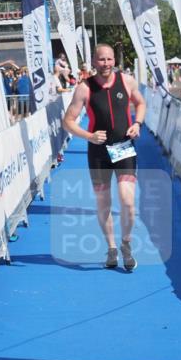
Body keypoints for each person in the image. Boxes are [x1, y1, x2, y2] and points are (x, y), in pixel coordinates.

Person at [62, 44, 146, 272]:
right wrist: (89, 136)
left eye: (109, 59)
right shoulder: (84, 88)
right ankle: (111, 248)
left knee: (127, 202)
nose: (106, 63)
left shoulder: (127, 81)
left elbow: (140, 103)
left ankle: (126, 244)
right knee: (103, 202)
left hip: (124, 148)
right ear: (94, 61)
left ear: (113, 61)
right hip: (98, 153)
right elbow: (67, 121)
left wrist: (137, 123)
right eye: (101, 60)